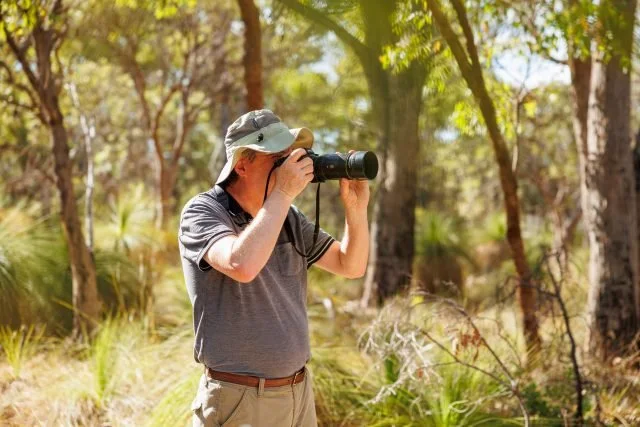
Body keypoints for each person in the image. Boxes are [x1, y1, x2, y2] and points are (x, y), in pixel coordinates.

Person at [178, 109, 370, 427]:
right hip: (240, 401)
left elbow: (351, 265)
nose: (289, 167)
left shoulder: (287, 217)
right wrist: (282, 193)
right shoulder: (203, 212)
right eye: (278, 159)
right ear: (242, 164)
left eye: (291, 156)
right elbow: (241, 264)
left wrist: (356, 209)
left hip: (297, 395)